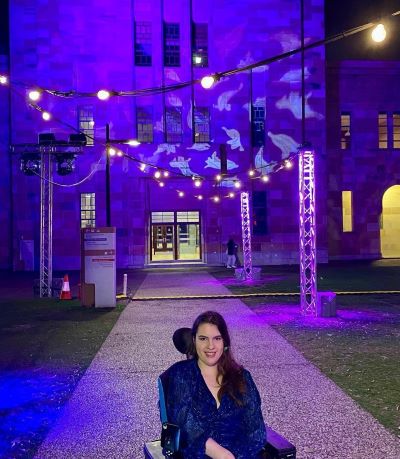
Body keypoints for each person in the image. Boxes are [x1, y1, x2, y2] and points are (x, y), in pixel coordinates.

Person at [161, 311, 266, 459]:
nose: (210, 345)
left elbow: (256, 431)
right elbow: (185, 424)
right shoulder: (180, 375)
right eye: (203, 338)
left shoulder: (242, 377)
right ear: (194, 340)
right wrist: (222, 454)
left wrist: (236, 456)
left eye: (217, 338)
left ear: (225, 342)